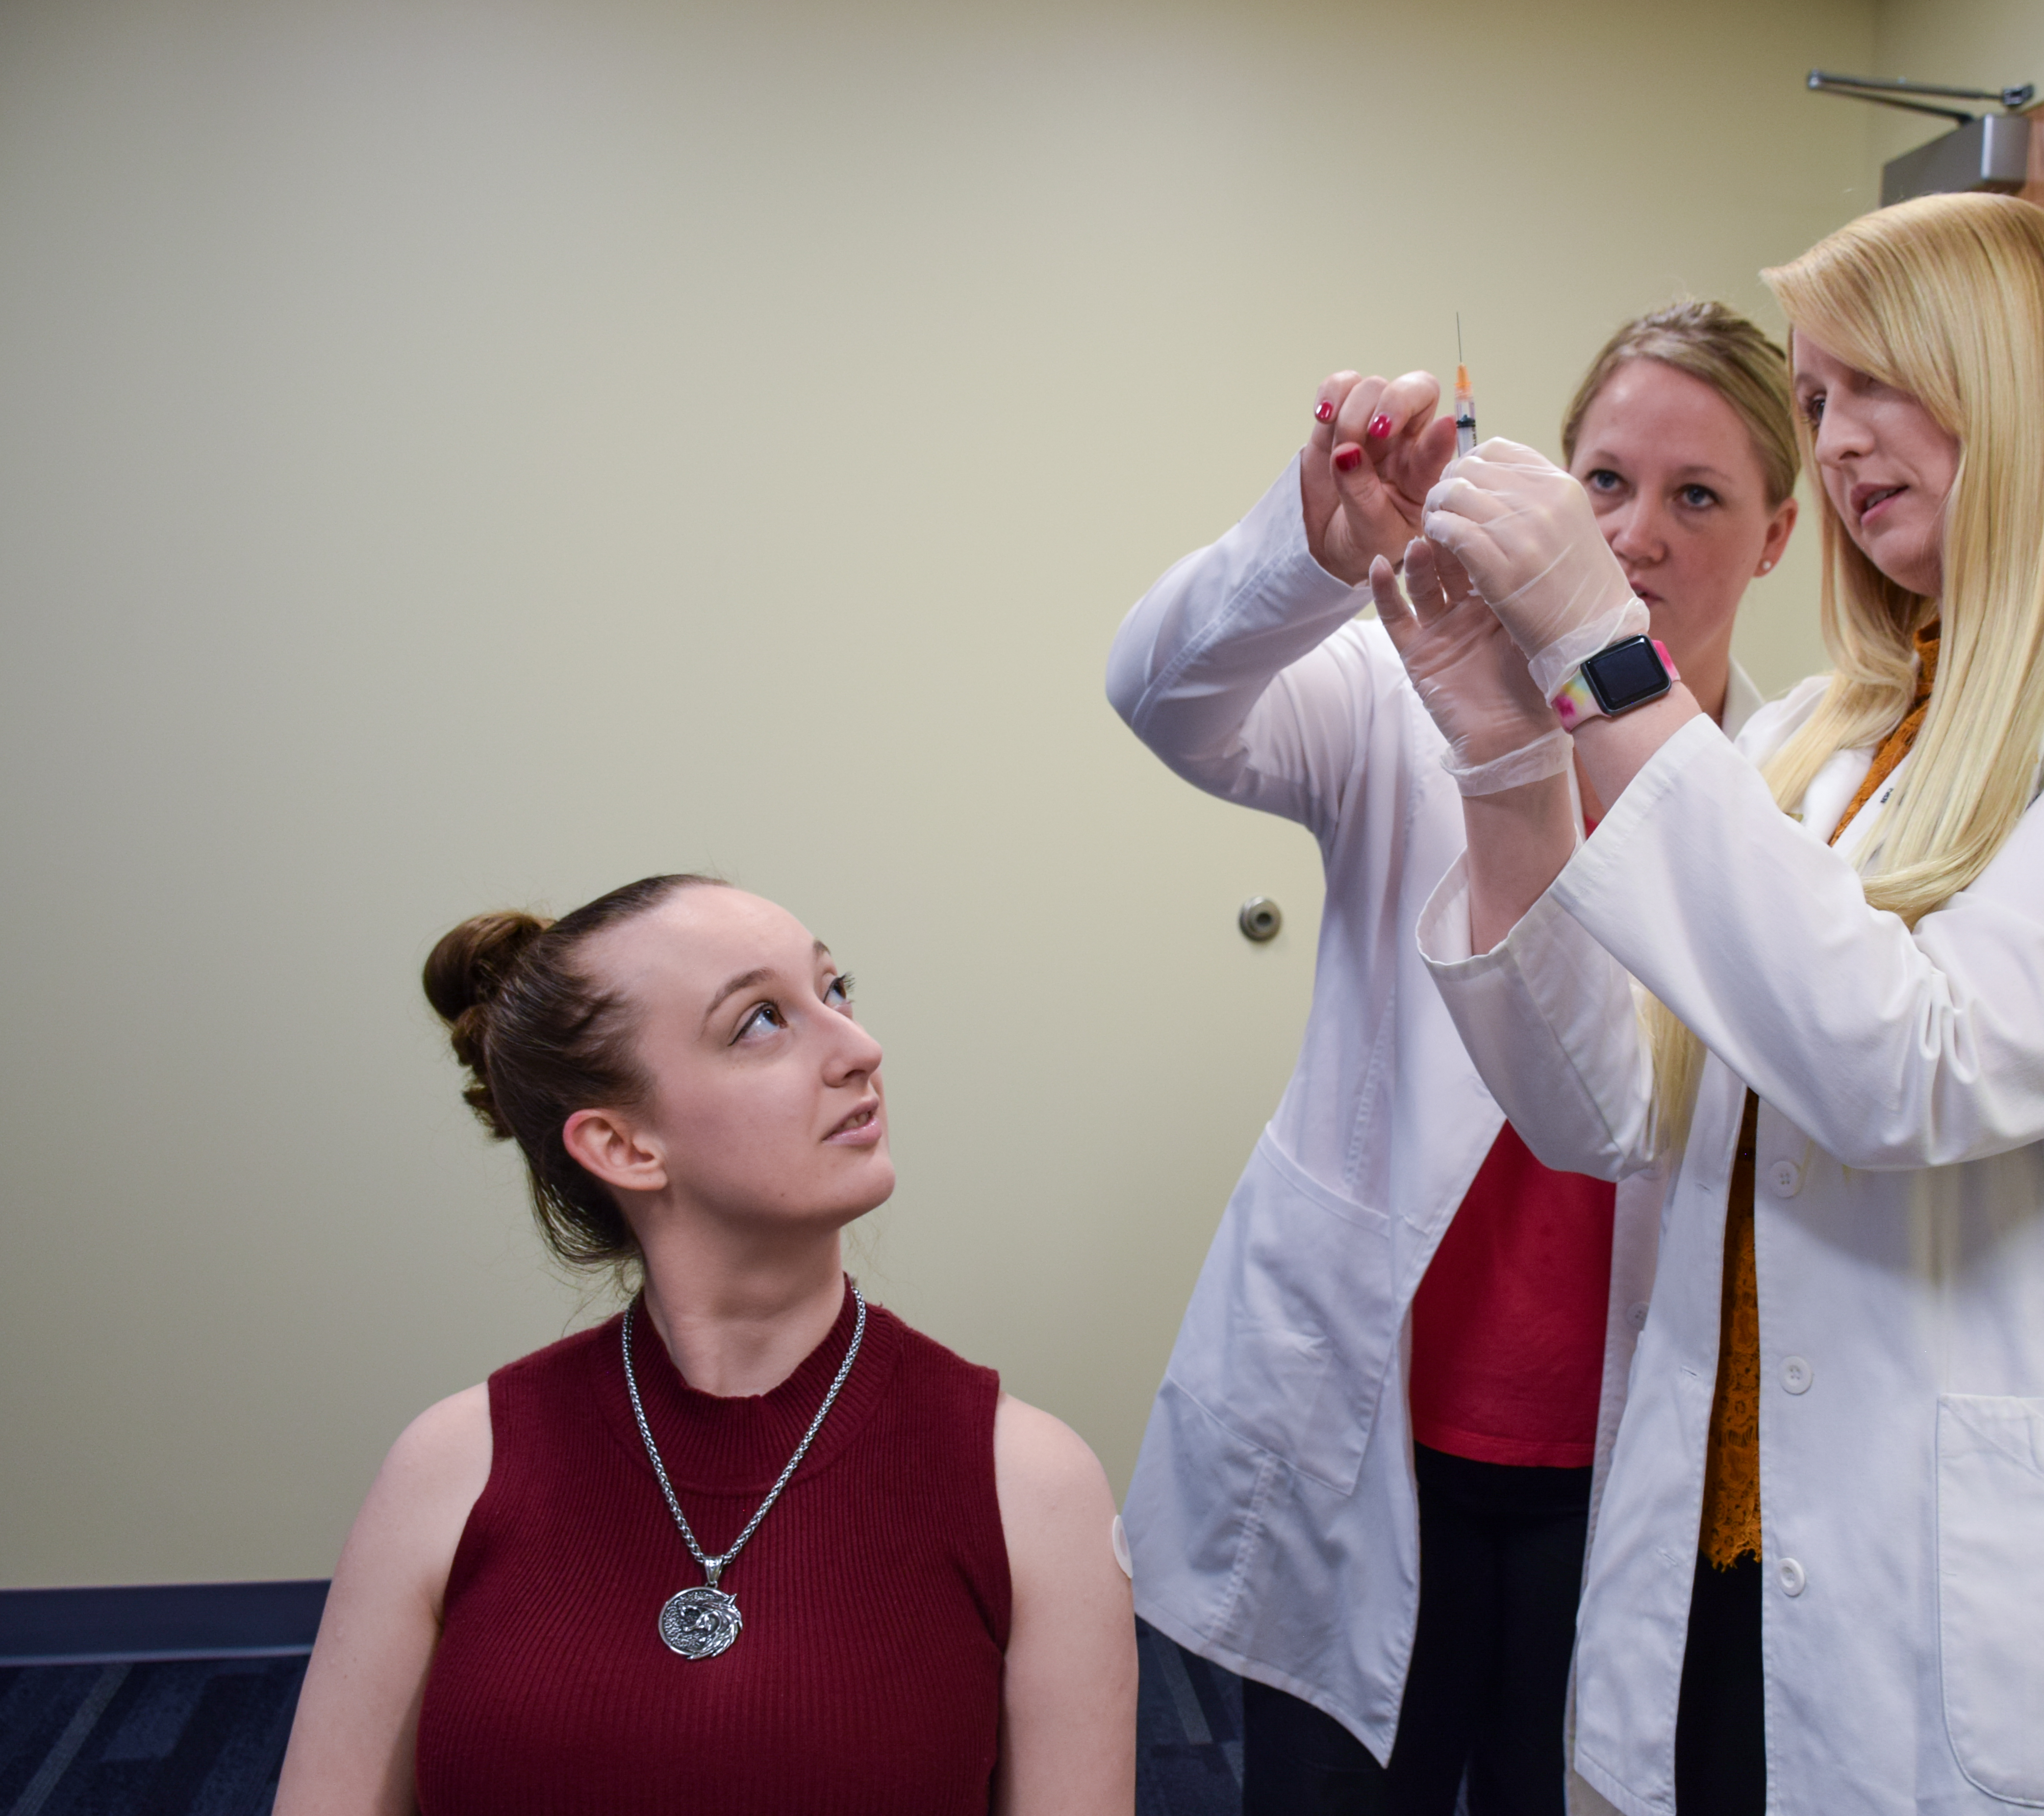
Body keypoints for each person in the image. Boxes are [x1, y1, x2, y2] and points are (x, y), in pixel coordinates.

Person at [1389, 193, 2044, 1815]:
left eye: (1885, 384)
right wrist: (1500, 753)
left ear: (2023, 388)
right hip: (1731, 1569)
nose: (1839, 440)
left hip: (2014, 1631)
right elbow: (1606, 1110)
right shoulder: (1823, 741)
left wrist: (1600, 655)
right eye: (1822, 399)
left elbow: (1918, 1065)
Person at [1105, 302, 1800, 1814]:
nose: (1639, 534)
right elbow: (1160, 696)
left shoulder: (1789, 798)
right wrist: (1311, 549)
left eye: (1700, 497)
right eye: (1606, 482)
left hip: (1620, 1453)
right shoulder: (1405, 696)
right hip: (1374, 1429)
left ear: (1778, 538)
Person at [274, 875, 1134, 1816]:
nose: (860, 1048)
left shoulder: (1032, 1484)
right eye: (761, 1021)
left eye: (835, 990)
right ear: (625, 1147)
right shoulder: (450, 1467)